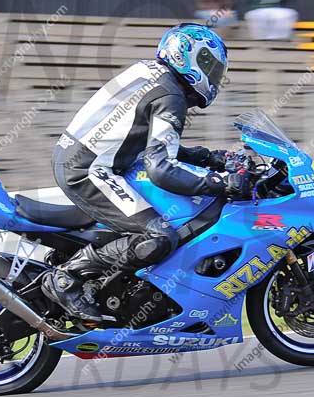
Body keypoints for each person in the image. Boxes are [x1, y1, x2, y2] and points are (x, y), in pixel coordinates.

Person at [41, 24, 245, 321]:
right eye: (208, 65)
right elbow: (161, 169)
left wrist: (210, 158)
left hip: (86, 159)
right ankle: (66, 277)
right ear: (185, 55)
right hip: (89, 170)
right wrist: (219, 184)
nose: (213, 76)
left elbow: (149, 142)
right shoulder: (171, 95)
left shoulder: (151, 73)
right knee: (160, 236)